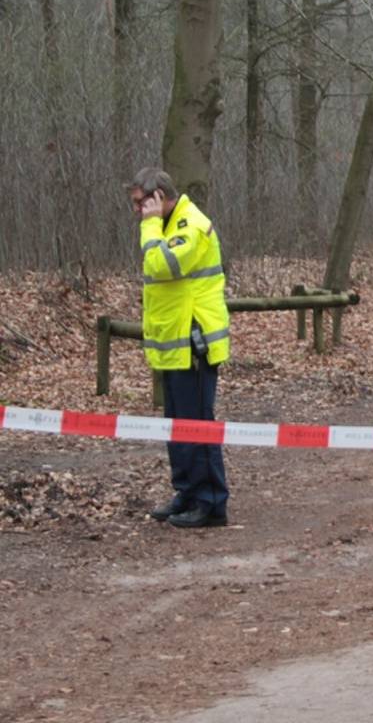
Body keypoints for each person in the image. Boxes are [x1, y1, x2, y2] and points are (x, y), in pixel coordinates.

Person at [128, 167, 231, 528]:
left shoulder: (191, 224)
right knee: (177, 426)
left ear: (159, 198)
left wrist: (150, 224)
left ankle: (211, 503)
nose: (137, 211)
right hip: (174, 345)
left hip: (194, 344)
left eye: (141, 203)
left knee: (197, 425)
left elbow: (161, 263)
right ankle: (187, 492)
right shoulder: (169, 226)